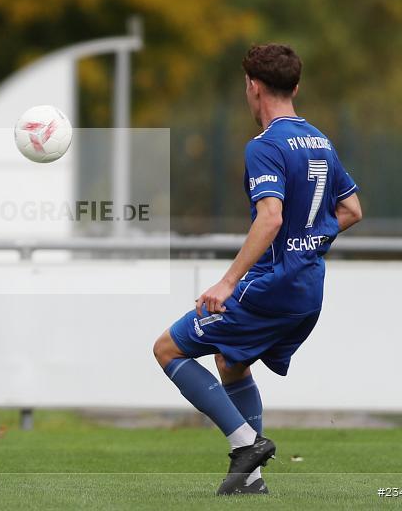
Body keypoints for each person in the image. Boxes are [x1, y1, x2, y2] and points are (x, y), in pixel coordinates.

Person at [153, 44, 363, 495]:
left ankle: (246, 445)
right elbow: (351, 209)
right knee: (230, 361)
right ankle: (250, 480)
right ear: (296, 86)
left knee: (168, 349)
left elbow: (270, 217)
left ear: (253, 86)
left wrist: (228, 282)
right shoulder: (320, 140)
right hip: (308, 290)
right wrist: (310, 244)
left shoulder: (265, 146)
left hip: (271, 288)